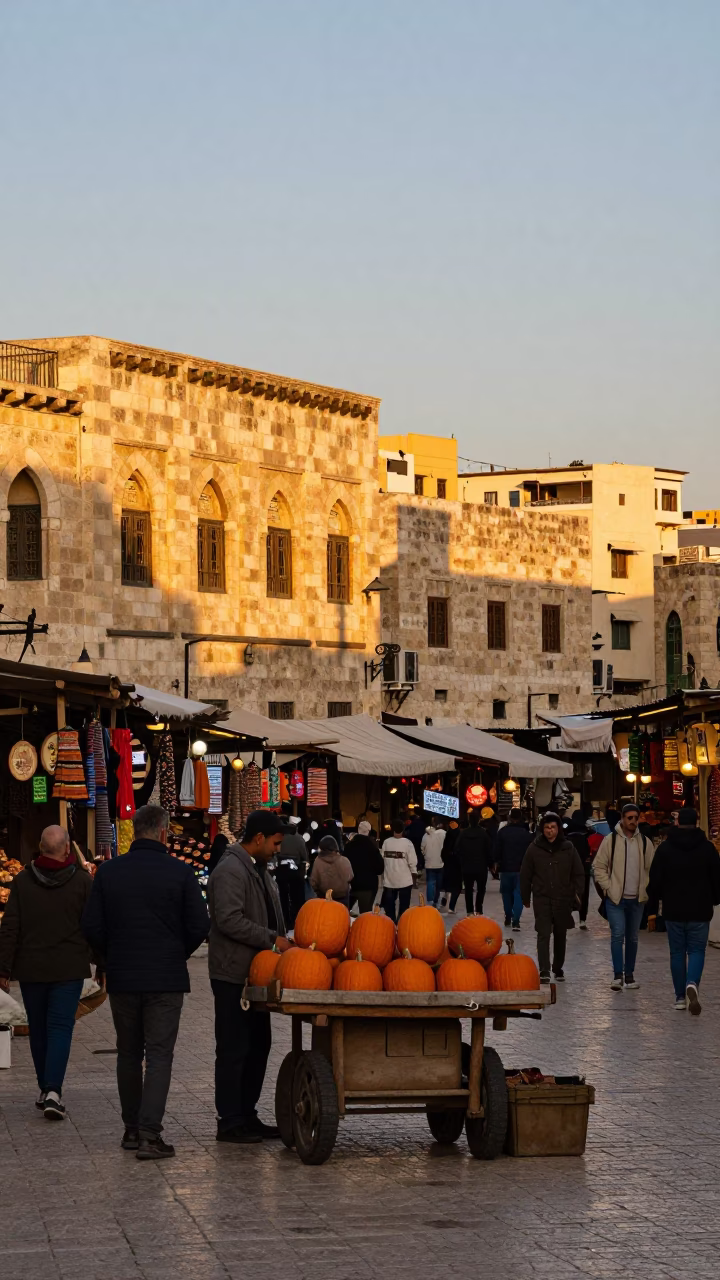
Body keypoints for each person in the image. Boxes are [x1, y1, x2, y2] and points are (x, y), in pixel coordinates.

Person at [82, 804, 209, 1159]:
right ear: (164, 832)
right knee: (158, 1055)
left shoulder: (109, 873)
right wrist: (176, 952)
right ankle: (150, 1135)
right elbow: (200, 925)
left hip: (123, 975)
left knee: (128, 1052)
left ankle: (131, 1129)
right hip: (165, 978)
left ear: (134, 831)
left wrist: (109, 958)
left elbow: (91, 926)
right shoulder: (180, 873)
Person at [207, 810, 292, 1144]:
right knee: (234, 1048)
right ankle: (230, 1120)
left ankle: (247, 1113)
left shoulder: (257, 869)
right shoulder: (230, 870)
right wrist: (271, 939)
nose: (277, 849)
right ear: (258, 839)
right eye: (275, 842)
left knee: (258, 1045)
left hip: (256, 974)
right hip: (233, 974)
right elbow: (228, 920)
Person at [0, 826, 96, 1121]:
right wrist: (102, 964)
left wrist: (3, 969)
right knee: (59, 1029)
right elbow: (94, 926)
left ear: (40, 849)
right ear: (67, 849)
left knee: (39, 1029)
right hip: (68, 968)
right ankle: (53, 1090)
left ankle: (46, 1089)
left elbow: (10, 928)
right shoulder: (81, 882)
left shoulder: (22, 882)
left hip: (31, 969)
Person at [647, 808, 720, 1013]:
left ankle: (680, 997)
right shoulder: (707, 849)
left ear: (677, 824)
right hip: (700, 909)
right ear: (697, 823)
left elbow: (654, 882)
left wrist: (653, 909)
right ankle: (692, 983)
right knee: (697, 950)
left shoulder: (665, 849)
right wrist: (715, 899)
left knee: (677, 953)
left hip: (674, 910)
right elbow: (717, 878)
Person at [593, 802, 655, 991]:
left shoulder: (645, 842)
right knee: (618, 935)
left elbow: (652, 869)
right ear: (622, 818)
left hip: (637, 900)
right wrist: (608, 888)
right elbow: (598, 867)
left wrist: (646, 889)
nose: (633, 822)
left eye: (636, 818)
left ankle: (630, 975)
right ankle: (617, 975)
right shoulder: (610, 840)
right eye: (629, 818)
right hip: (616, 900)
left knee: (633, 938)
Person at [520, 811, 585, 984]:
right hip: (542, 898)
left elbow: (578, 873)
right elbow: (525, 874)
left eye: (553, 827)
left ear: (558, 828)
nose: (550, 831)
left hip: (563, 898)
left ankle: (558, 967)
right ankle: (544, 970)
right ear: (543, 829)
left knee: (560, 933)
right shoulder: (534, 848)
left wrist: (577, 895)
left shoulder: (568, 847)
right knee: (543, 933)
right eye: (547, 827)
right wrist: (525, 896)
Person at [493, 810, 532, 929]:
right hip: (521, 869)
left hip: (505, 868)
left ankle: (508, 916)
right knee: (518, 894)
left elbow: (496, 850)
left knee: (506, 894)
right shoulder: (526, 834)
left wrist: (495, 863)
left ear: (509, 817)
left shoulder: (502, 832)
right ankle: (516, 920)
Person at [380, 818, 418, 922]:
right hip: (405, 881)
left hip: (389, 881)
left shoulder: (386, 842)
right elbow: (412, 862)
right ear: (403, 830)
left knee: (389, 907)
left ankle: (391, 925)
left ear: (392, 829)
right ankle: (401, 925)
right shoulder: (408, 843)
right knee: (404, 907)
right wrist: (414, 874)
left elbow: (382, 858)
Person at [455, 810, 491, 915]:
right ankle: (479, 909)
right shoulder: (483, 833)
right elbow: (489, 849)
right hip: (481, 866)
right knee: (481, 889)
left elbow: (456, 849)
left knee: (468, 889)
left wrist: (462, 860)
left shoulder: (463, 834)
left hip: (467, 866)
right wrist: (490, 863)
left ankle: (469, 911)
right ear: (479, 820)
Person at [274, 821, 308, 927]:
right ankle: (297, 920)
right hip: (295, 870)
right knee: (297, 897)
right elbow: (304, 856)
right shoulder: (299, 839)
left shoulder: (280, 838)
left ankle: (285, 921)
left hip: (281, 870)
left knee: (282, 896)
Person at [346, 820, 384, 914]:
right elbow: (380, 869)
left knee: (344, 913)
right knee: (365, 916)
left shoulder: (348, 846)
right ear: (369, 831)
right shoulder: (372, 847)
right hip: (368, 886)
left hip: (351, 885)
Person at [565, 811, 593, 929]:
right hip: (584, 870)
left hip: (569, 870)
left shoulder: (567, 834)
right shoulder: (587, 834)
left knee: (568, 892)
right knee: (584, 894)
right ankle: (582, 919)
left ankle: (568, 915)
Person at [309, 835, 354, 906]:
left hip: (325, 898)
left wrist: (318, 892)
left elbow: (313, 882)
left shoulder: (318, 861)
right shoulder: (344, 860)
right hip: (342, 898)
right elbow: (350, 877)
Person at [438, 820, 463, 913]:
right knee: (456, 887)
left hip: (448, 864)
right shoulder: (460, 835)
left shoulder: (448, 836)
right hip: (457, 865)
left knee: (446, 885)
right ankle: (451, 907)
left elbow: (443, 852)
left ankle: (443, 900)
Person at [420, 820, 446, 906]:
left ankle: (430, 902)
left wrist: (425, 856)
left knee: (430, 882)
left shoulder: (425, 836)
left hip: (429, 863)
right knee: (439, 884)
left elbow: (422, 848)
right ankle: (436, 900)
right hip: (440, 862)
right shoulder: (444, 834)